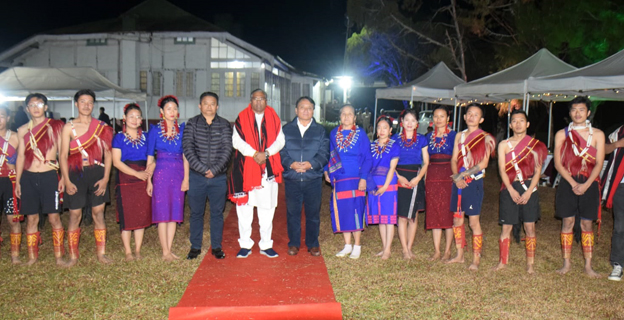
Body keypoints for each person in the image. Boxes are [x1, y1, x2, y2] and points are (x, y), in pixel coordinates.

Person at [228, 89, 284, 258]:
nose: (259, 102)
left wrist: (265, 154)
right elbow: (236, 141)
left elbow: (280, 141)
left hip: (268, 170)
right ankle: (245, 244)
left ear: (266, 101)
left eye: (262, 99)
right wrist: (254, 154)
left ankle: (266, 245)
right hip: (245, 169)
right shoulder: (242, 117)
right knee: (244, 209)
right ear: (250, 100)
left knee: (267, 208)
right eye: (255, 99)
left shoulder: (274, 117)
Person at [60, 89, 113, 266]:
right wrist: (66, 180)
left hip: (97, 172)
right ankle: (73, 256)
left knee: (99, 213)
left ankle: (101, 253)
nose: (86, 105)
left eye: (90, 102)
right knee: (75, 215)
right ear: (76, 104)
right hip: (76, 173)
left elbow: (108, 154)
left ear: (93, 105)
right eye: (82, 102)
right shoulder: (69, 127)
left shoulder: (101, 127)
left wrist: (106, 178)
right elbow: (62, 155)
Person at [553, 96, 604, 277]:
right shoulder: (562, 134)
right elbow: (558, 164)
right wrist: (574, 183)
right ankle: (566, 263)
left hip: (589, 183)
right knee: (567, 222)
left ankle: (588, 266)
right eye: (574, 110)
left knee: (586, 224)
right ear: (570, 113)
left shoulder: (598, 134)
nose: (578, 113)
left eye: (581, 110)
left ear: (588, 112)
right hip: (568, 182)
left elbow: (599, 163)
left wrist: (586, 184)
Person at [15, 94, 66, 266]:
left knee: (54, 218)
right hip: (29, 177)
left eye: (39, 104)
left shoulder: (56, 127)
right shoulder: (22, 130)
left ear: (46, 107)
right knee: (31, 218)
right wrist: (18, 181)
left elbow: (63, 155)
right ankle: (32, 257)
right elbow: (21, 157)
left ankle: (59, 256)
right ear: (27, 109)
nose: (35, 107)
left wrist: (64, 178)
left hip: (49, 175)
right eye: (31, 105)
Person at [494, 110, 547, 273]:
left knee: (530, 227)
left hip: (529, 188)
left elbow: (538, 171)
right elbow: (502, 169)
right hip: (509, 188)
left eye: (521, 121)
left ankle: (530, 264)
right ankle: (503, 262)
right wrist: (510, 189)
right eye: (515, 121)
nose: (518, 124)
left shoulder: (535, 145)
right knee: (506, 227)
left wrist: (529, 191)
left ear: (527, 124)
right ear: (510, 125)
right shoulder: (503, 144)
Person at [183, 92, 232, 260]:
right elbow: (188, 149)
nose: (209, 106)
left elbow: (227, 150)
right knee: (196, 213)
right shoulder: (192, 124)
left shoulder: (224, 125)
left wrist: (216, 169)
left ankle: (216, 246)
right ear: (200, 105)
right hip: (197, 177)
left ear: (217, 106)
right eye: (206, 103)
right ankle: (195, 246)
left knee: (217, 213)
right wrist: (203, 169)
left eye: (213, 104)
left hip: (218, 178)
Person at [446, 103, 495, 270]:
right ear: (465, 116)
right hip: (458, 182)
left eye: (476, 115)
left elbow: (484, 163)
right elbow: (454, 159)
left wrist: (463, 176)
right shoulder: (459, 136)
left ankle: (476, 259)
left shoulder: (486, 138)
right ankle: (459, 255)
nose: (471, 117)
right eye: (469, 114)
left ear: (481, 119)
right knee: (457, 219)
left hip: (473, 182)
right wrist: (456, 177)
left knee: (474, 222)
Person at [280, 96, 329, 256]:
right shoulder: (286, 129)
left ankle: (313, 243)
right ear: (296, 110)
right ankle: (293, 243)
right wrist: (291, 164)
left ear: (313, 111)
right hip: (292, 178)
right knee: (293, 213)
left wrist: (311, 164)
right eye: (302, 107)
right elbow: (281, 151)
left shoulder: (320, 130)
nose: (306, 111)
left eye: (309, 108)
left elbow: (324, 153)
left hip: (312, 178)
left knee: (313, 213)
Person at [324, 104, 372, 259]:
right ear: (340, 116)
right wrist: (327, 170)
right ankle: (347, 245)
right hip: (340, 177)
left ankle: (357, 245)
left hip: (356, 177)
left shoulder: (361, 133)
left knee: (357, 209)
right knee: (343, 210)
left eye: (349, 114)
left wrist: (364, 177)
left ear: (355, 117)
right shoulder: (333, 134)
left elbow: (367, 157)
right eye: (343, 114)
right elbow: (330, 154)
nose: (346, 117)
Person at [146, 95, 189, 261]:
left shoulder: (182, 130)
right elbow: (150, 157)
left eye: (175, 108)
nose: (172, 112)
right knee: (162, 211)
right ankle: (164, 251)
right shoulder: (155, 131)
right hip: (161, 173)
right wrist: (148, 180)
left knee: (174, 211)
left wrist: (186, 179)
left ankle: (169, 249)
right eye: (168, 109)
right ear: (161, 112)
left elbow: (186, 157)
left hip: (178, 172)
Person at [112, 103, 153, 262]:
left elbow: (152, 158)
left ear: (142, 119)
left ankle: (137, 250)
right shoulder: (119, 137)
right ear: (124, 119)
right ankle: (128, 251)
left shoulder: (147, 137)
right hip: (126, 178)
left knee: (140, 214)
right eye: (131, 117)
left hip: (143, 178)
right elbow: (116, 162)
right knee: (127, 215)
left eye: (138, 117)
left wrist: (149, 172)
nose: (135, 120)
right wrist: (137, 173)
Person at [393, 109, 429, 260]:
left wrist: (419, 178)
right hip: (400, 176)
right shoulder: (394, 139)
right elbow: (390, 163)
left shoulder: (422, 139)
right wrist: (398, 177)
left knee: (413, 216)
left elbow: (426, 162)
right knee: (402, 216)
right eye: (406, 120)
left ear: (417, 124)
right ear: (402, 122)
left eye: (413, 121)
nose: (409, 123)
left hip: (415, 176)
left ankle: (410, 247)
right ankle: (403, 249)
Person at [425, 106, 456, 261]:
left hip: (447, 175)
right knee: (434, 213)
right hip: (432, 175)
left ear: (447, 119)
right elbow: (424, 159)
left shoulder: (453, 136)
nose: (438, 119)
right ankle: (437, 250)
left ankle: (448, 251)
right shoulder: (428, 136)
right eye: (436, 116)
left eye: (442, 116)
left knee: (447, 214)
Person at [368, 116, 400, 259]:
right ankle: (383, 246)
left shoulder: (394, 145)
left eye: (385, 128)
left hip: (388, 184)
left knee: (389, 218)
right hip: (375, 183)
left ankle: (388, 249)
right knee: (381, 218)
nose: (381, 130)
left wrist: (385, 186)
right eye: (379, 127)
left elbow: (392, 168)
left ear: (390, 130)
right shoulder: (371, 145)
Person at [603, 123, 624, 281]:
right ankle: (618, 264)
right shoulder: (619, 131)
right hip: (621, 186)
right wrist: (618, 144)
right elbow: (604, 149)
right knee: (620, 227)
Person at [0, 106, 19, 263]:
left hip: (10, 182)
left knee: (13, 219)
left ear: (7, 118)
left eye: (1, 116)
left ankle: (15, 255)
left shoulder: (16, 137)